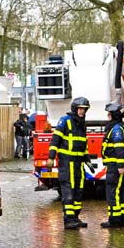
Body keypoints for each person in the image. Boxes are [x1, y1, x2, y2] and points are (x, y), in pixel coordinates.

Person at [48, 96, 90, 229]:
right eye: (80, 109)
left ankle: (75, 217)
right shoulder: (65, 121)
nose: (82, 112)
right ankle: (68, 219)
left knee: (79, 190)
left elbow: (83, 143)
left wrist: (87, 159)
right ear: (75, 108)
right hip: (67, 163)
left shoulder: (81, 123)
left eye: (84, 109)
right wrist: (51, 157)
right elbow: (55, 140)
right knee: (68, 191)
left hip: (79, 164)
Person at [101, 102, 124, 228]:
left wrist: (120, 166)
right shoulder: (117, 127)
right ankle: (122, 218)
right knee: (120, 191)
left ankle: (114, 219)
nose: (107, 116)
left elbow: (119, 148)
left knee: (113, 192)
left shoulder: (116, 129)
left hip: (115, 166)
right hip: (116, 165)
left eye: (109, 114)